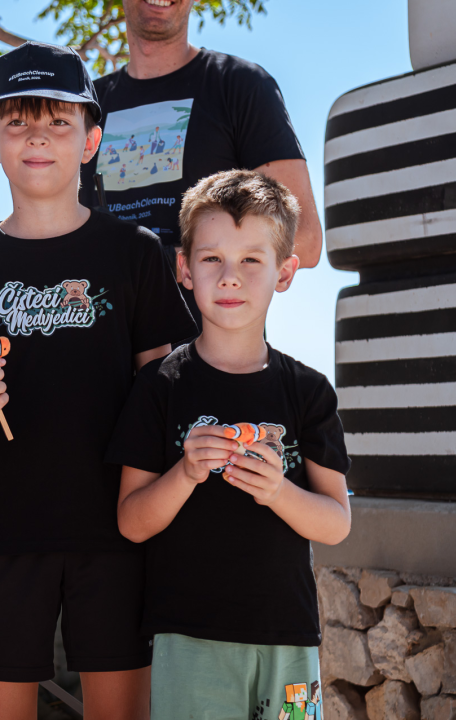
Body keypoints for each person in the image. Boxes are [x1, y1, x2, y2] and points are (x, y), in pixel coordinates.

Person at [0, 42, 195, 720]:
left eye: (58, 122)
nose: (37, 136)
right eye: (16, 122)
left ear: (91, 141)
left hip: (118, 535)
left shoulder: (135, 256)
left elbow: (159, 395)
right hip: (2, 538)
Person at [108, 170, 351, 720]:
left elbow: (336, 522)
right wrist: (186, 473)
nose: (231, 278)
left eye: (251, 260)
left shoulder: (308, 391)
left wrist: (278, 492)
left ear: (285, 272)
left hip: (288, 637)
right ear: (184, 269)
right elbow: (131, 521)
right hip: (187, 637)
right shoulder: (158, 388)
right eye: (213, 258)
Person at [80, 0, 323, 330]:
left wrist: (174, 262)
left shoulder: (240, 86)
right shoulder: (84, 110)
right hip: (105, 361)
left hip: (213, 367)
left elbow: (305, 239)